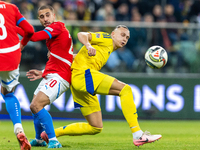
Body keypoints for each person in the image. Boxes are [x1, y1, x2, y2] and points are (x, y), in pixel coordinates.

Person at [38, 25, 162, 147]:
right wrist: (88, 45)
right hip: (83, 75)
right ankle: (138, 134)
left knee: (96, 127)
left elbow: (76, 58)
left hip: (77, 83)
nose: (125, 39)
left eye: (127, 37)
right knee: (125, 90)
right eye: (122, 35)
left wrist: (51, 66)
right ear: (113, 34)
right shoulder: (107, 38)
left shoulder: (107, 49)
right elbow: (81, 34)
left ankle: (51, 134)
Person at [17, 5, 73, 148]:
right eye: (41, 17)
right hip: (51, 74)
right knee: (34, 106)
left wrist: (16, 24)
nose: (45, 19)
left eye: (47, 15)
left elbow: (34, 37)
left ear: (54, 16)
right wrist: (43, 72)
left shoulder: (57, 26)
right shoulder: (54, 36)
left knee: (37, 105)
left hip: (60, 76)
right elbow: (59, 57)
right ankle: (40, 139)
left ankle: (53, 140)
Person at [0, 1, 34, 150]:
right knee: (8, 93)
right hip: (11, 55)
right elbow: (30, 30)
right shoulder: (11, 8)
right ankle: (19, 129)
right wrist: (23, 43)